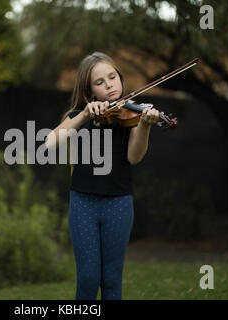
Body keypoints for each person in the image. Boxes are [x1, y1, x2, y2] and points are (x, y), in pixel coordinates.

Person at [45, 52, 160, 300]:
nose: (109, 85)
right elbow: (49, 143)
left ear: (120, 78)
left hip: (118, 203)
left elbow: (134, 157)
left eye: (112, 77)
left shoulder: (131, 116)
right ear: (89, 91)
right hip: (83, 204)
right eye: (100, 82)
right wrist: (85, 114)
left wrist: (145, 126)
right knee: (88, 279)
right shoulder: (78, 116)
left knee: (111, 281)